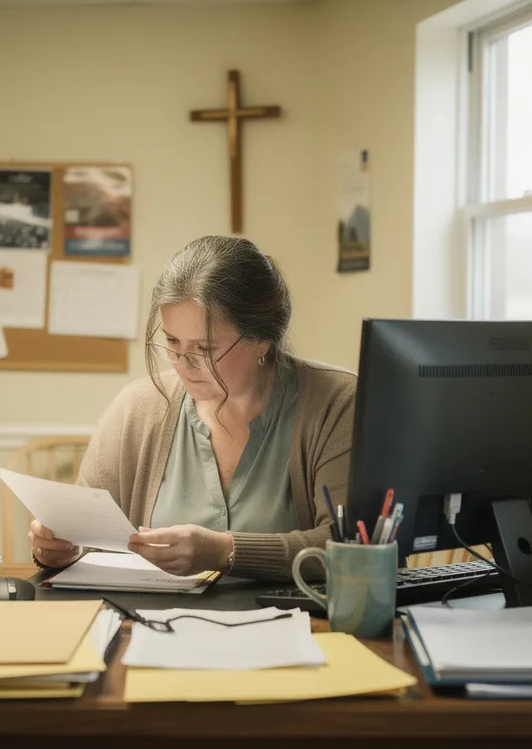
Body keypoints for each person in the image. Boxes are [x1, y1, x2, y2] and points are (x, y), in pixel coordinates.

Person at [28, 235, 355, 581]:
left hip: (296, 626)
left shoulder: (334, 403)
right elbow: (85, 535)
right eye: (172, 342)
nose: (184, 364)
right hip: (153, 626)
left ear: (262, 338)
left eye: (205, 348)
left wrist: (224, 552)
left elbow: (352, 549)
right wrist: (58, 547)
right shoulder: (136, 409)